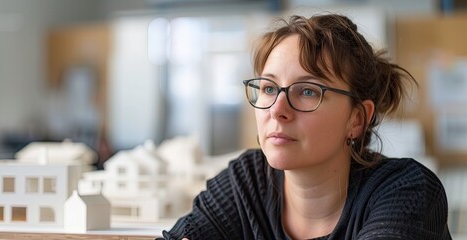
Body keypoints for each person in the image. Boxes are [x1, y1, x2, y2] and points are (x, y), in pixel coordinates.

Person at [159, 13, 451, 240]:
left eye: (308, 91)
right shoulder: (247, 181)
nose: (277, 110)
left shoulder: (404, 190)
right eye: (269, 88)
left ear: (357, 119)